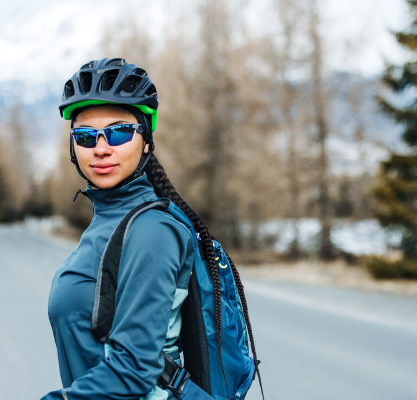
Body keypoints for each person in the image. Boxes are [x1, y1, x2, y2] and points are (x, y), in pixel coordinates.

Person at [41, 58, 257, 400]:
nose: (100, 148)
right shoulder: (109, 218)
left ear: (145, 140)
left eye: (119, 131)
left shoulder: (152, 228)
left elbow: (135, 370)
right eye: (84, 136)